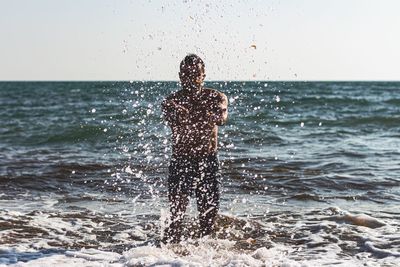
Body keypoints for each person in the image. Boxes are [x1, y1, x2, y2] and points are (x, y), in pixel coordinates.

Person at [161, 54, 228, 243]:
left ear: (203, 75)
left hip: (208, 161)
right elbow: (171, 117)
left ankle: (203, 259)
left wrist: (212, 112)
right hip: (181, 162)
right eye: (187, 74)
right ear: (180, 76)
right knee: (176, 219)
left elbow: (222, 118)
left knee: (208, 222)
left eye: (196, 74)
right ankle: (162, 259)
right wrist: (180, 114)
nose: (192, 79)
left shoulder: (216, 97)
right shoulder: (171, 101)